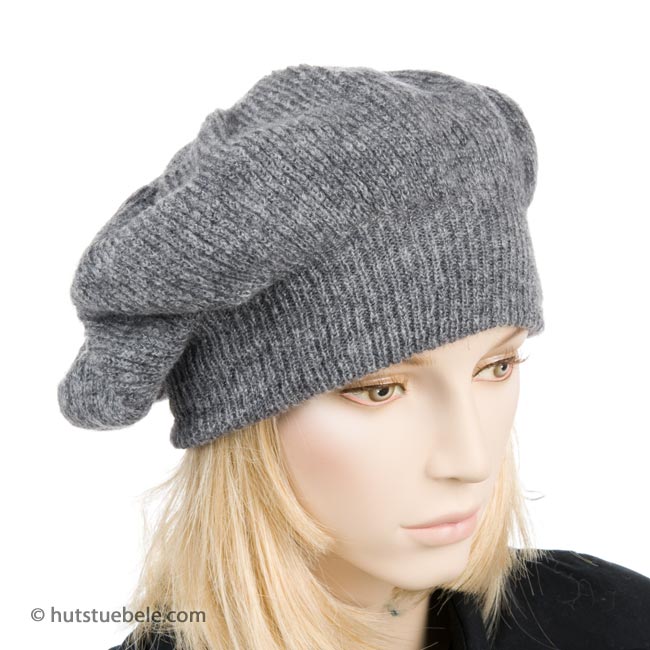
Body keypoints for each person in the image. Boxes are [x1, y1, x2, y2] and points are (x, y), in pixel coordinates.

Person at [57, 64, 650, 650]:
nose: (471, 460)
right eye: (379, 390)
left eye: (497, 367)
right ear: (242, 423)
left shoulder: (615, 621)